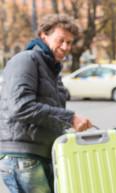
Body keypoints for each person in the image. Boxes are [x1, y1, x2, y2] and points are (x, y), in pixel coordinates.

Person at [0, 14, 92, 193]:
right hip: (23, 154)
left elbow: (48, 113)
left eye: (69, 42)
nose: (65, 47)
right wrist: (70, 118)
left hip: (39, 153)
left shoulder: (51, 69)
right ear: (43, 35)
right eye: (61, 40)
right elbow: (20, 107)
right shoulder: (26, 60)